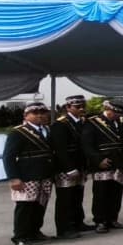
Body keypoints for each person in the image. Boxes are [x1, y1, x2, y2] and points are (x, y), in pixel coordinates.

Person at [4, 102, 57, 245]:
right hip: (27, 175)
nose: (40, 115)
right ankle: (20, 237)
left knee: (40, 204)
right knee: (24, 206)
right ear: (26, 116)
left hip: (45, 174)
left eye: (42, 112)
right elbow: (8, 157)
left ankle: (34, 231)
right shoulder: (18, 132)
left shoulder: (47, 129)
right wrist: (13, 177)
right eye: (35, 113)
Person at [82, 99, 123, 232]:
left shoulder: (122, 121)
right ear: (109, 110)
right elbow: (87, 145)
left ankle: (113, 218)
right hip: (103, 162)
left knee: (116, 192)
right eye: (117, 113)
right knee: (101, 193)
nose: (120, 115)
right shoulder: (92, 122)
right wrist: (98, 160)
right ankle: (100, 221)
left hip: (120, 161)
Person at [50, 94, 91, 237]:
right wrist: (69, 168)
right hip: (66, 167)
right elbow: (60, 149)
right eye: (77, 107)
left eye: (83, 106)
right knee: (65, 198)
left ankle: (78, 222)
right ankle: (64, 228)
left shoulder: (83, 122)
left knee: (77, 196)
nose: (81, 109)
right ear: (68, 107)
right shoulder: (60, 124)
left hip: (80, 165)